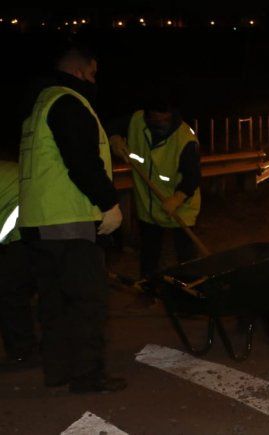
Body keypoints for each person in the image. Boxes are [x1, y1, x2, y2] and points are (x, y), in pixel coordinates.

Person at [17, 42, 126, 393]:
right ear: (82, 70)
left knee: (54, 303)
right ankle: (88, 376)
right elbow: (81, 161)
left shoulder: (39, 106)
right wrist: (109, 202)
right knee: (86, 302)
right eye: (93, 73)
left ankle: (59, 371)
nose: (95, 80)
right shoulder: (69, 102)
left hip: (40, 224)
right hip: (70, 222)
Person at [108, 95, 201, 281]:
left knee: (186, 256)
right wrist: (114, 137)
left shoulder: (185, 139)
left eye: (166, 119)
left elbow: (192, 177)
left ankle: (192, 289)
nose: (162, 124)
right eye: (156, 120)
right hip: (148, 205)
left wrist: (177, 198)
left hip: (179, 206)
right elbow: (110, 125)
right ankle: (148, 287)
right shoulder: (136, 121)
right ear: (147, 116)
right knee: (149, 252)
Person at [0, 160, 38, 371]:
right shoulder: (7, 170)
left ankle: (23, 350)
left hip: (22, 232)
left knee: (10, 292)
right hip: (36, 223)